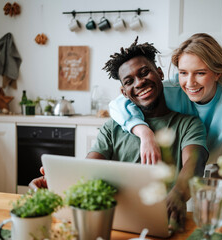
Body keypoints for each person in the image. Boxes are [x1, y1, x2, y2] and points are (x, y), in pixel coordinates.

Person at [30, 38, 209, 232]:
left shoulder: (188, 124)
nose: (139, 83)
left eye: (144, 72)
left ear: (159, 73)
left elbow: (194, 164)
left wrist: (178, 195)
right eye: (129, 81)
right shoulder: (112, 128)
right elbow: (88, 170)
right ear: (124, 92)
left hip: (166, 221)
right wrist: (55, 184)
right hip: (114, 223)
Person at [108, 33, 222, 231]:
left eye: (200, 73)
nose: (190, 83)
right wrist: (145, 133)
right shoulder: (174, 87)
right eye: (183, 72)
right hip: (196, 160)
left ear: (217, 72)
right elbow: (117, 104)